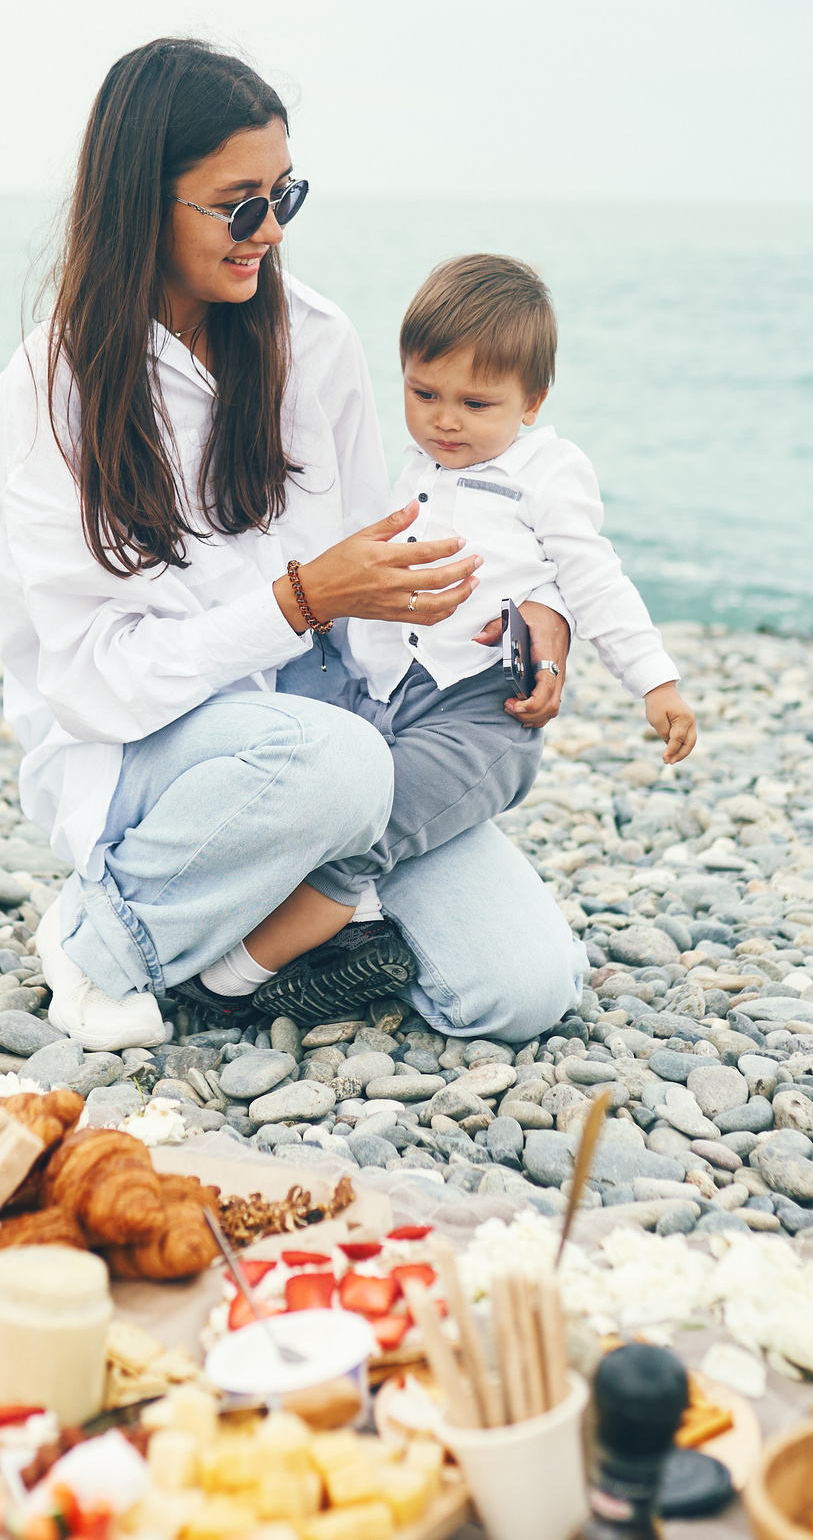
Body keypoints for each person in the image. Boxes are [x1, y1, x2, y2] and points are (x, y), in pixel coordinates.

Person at [0, 38, 585, 1050]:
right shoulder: (54, 390)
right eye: (237, 203)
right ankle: (103, 937)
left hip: (332, 734)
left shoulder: (317, 340)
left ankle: (264, 937)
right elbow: (89, 684)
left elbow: (373, 595)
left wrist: (513, 637)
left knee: (519, 990)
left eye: (283, 196)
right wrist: (300, 603)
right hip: (147, 751)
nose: (266, 230)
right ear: (141, 200)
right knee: (334, 765)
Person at [224, 254, 697, 1010]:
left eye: (476, 403)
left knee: (367, 828)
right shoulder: (414, 466)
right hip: (383, 693)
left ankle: (237, 976)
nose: (445, 419)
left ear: (532, 400)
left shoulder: (546, 470)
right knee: (318, 783)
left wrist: (655, 680)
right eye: (423, 393)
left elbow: (592, 575)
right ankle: (356, 930)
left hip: (480, 712)